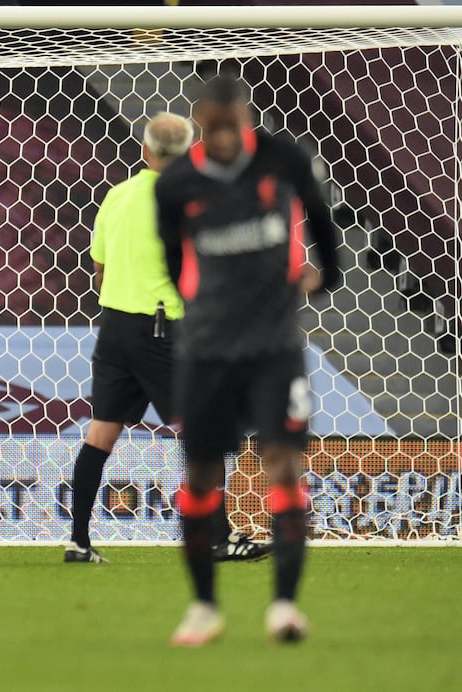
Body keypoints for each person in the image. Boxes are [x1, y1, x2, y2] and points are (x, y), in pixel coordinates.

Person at [155, 74, 339, 644]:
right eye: (214, 129)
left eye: (234, 126)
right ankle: (205, 607)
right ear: (199, 122)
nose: (227, 138)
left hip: (274, 348)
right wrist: (206, 307)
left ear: (246, 118)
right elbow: (171, 256)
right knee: (204, 476)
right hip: (208, 352)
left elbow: (321, 220)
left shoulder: (283, 159)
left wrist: (325, 277)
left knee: (284, 465)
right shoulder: (178, 183)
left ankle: (284, 606)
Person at [64, 111, 272, 564]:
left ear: (144, 149)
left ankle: (78, 542)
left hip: (115, 326)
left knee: (101, 432)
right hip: (162, 329)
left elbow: (99, 268)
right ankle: (218, 538)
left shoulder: (115, 197)